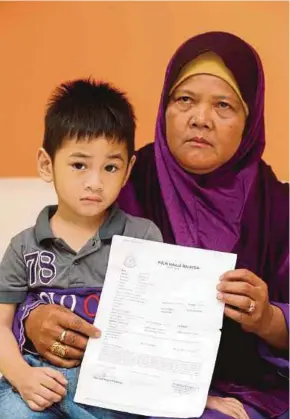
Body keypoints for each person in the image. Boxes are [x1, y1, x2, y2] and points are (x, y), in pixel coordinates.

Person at [12, 31, 289, 418]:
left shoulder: (279, 208)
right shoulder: (118, 185)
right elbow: (40, 274)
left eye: (224, 105)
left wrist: (269, 319)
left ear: (251, 118)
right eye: (185, 100)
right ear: (165, 107)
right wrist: (35, 319)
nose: (200, 119)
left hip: (249, 389)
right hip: (120, 388)